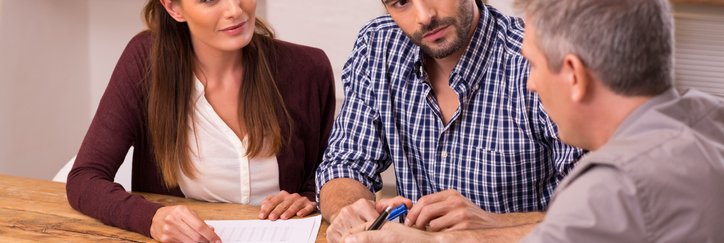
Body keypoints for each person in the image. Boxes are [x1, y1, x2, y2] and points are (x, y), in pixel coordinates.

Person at [341, 0, 724, 242]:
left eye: (536, 64)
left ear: (573, 74)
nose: (531, 82)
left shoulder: (611, 189)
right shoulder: (709, 119)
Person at [66, 0, 335, 242]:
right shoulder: (145, 61)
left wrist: (310, 198)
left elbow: (330, 173)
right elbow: (85, 178)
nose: (235, 10)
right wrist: (152, 219)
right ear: (174, 8)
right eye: (209, 0)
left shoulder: (308, 69)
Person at [315, 0, 584, 241]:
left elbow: (601, 214)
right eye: (400, 2)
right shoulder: (378, 45)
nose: (424, 16)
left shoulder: (535, 58)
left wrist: (492, 224)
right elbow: (344, 163)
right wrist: (350, 211)